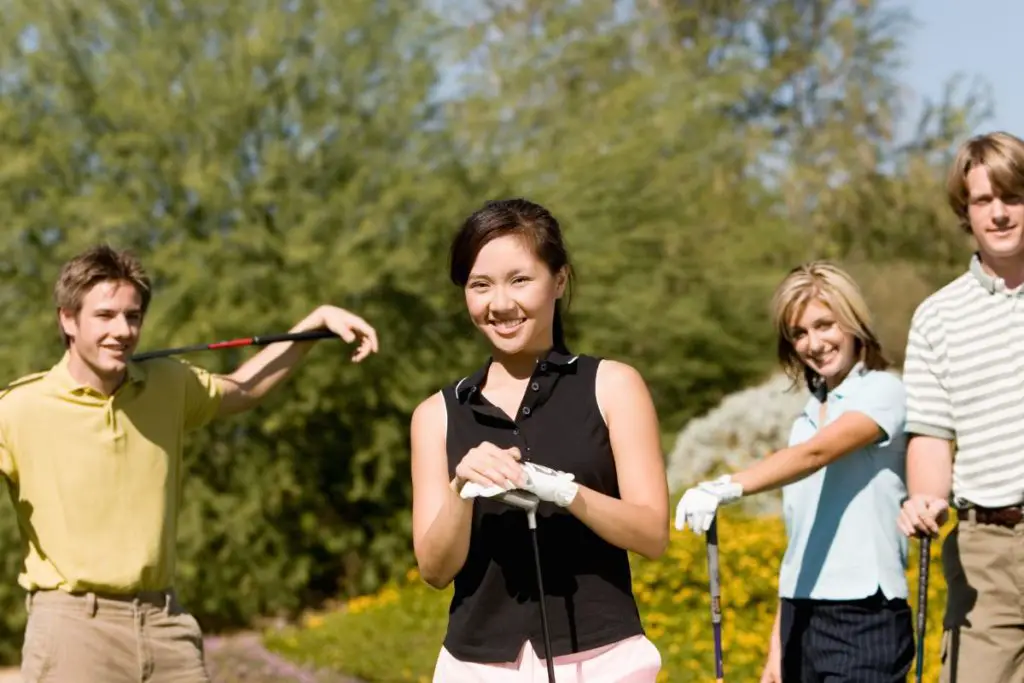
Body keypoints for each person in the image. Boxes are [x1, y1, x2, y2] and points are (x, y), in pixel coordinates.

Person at [3, 244, 378, 682]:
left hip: (164, 623)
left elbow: (245, 387)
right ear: (67, 319)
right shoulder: (19, 408)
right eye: (105, 316)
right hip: (72, 630)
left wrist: (314, 324)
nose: (122, 330)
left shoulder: (169, 383)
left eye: (133, 316)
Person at [409, 198, 668, 682]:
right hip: (476, 668)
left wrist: (566, 492)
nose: (500, 304)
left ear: (560, 281)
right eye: (479, 285)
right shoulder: (435, 415)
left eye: (520, 280)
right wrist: (459, 492)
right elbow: (434, 569)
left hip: (603, 662)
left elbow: (652, 534)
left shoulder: (613, 385)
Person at [674, 261, 914, 683]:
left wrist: (727, 486)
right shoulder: (803, 419)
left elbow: (817, 453)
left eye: (825, 325)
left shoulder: (883, 391)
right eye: (800, 333)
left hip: (864, 614)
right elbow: (800, 543)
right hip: (801, 617)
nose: (814, 343)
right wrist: (777, 646)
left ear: (854, 323)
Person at [897, 130, 1024, 683]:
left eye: (1013, 196)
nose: (998, 213)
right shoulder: (936, 316)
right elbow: (929, 433)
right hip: (984, 554)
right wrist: (926, 498)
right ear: (965, 211)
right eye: (982, 200)